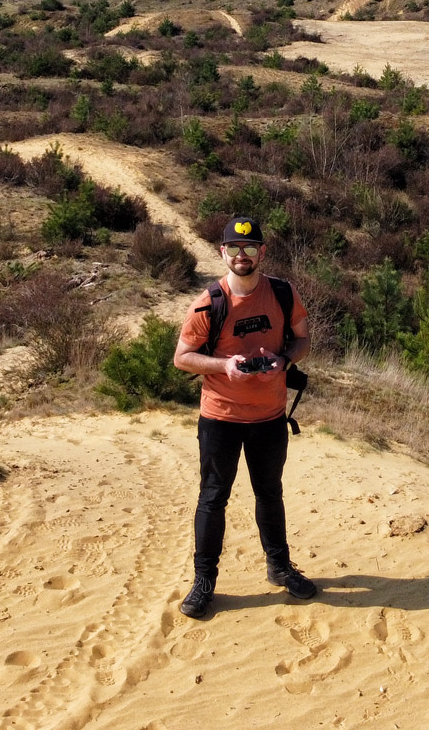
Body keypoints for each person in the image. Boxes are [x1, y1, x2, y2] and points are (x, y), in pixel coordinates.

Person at [171, 215, 316, 620]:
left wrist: (283, 358)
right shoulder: (210, 302)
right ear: (222, 253)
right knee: (213, 498)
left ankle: (280, 567)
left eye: (249, 249)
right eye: (233, 248)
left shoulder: (284, 294)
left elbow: (303, 338)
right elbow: (182, 358)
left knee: (270, 494)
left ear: (262, 253)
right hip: (220, 418)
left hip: (270, 418)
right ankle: (204, 582)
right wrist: (223, 366)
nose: (241, 256)